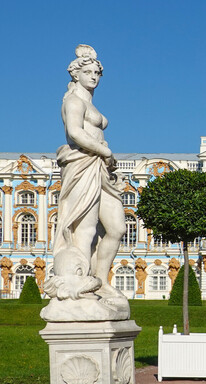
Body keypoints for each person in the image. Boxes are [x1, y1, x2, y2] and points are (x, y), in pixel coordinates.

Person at [53, 45, 125, 308]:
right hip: (83, 163)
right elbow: (75, 133)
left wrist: (104, 157)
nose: (94, 76)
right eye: (89, 72)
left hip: (100, 167)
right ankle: (81, 286)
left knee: (116, 228)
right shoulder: (73, 101)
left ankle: (101, 280)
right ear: (76, 74)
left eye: (97, 73)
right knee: (85, 227)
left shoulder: (90, 103)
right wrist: (104, 150)